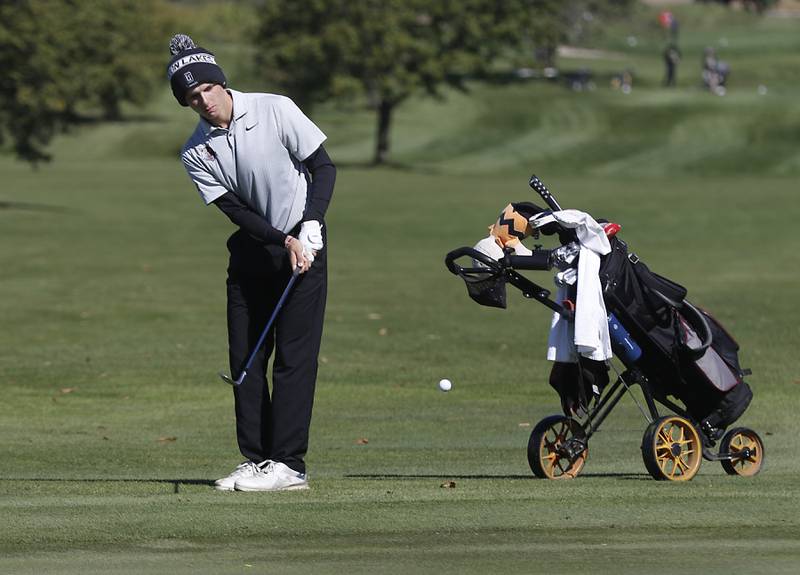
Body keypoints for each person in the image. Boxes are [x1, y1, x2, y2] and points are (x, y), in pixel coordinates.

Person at [166, 34, 336, 492]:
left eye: (205, 89)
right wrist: (282, 239)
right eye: (190, 97)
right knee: (245, 358)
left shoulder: (274, 108)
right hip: (254, 254)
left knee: (293, 360)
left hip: (306, 247)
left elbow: (323, 166)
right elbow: (237, 212)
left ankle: (289, 465)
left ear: (221, 83)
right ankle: (255, 459)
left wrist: (310, 224)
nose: (202, 101)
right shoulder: (195, 151)